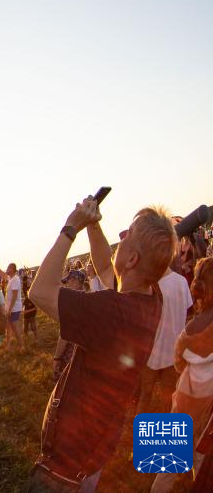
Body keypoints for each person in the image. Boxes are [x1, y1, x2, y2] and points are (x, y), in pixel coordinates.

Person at [25, 198, 174, 492]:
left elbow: (39, 291)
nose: (120, 239)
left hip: (63, 471)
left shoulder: (110, 311)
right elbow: (107, 266)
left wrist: (70, 229)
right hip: (92, 454)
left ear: (132, 260)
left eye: (126, 236)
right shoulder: (149, 297)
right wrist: (94, 225)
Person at [151, 257, 213, 492]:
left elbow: (178, 364)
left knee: (168, 459)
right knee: (203, 452)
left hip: (187, 395)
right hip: (209, 403)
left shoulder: (187, 334)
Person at [137, 261, 193, 414]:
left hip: (152, 352)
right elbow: (187, 311)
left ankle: (138, 435)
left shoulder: (149, 286)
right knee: (166, 401)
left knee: (146, 397)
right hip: (173, 352)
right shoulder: (181, 281)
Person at [0, 262, 24, 352]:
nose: (6, 269)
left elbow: (14, 296)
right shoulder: (11, 278)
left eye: (8, 267)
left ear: (12, 269)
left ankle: (22, 346)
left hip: (14, 308)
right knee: (8, 327)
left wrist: (10, 309)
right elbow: (3, 274)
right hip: (10, 308)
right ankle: (8, 345)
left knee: (15, 327)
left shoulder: (15, 280)